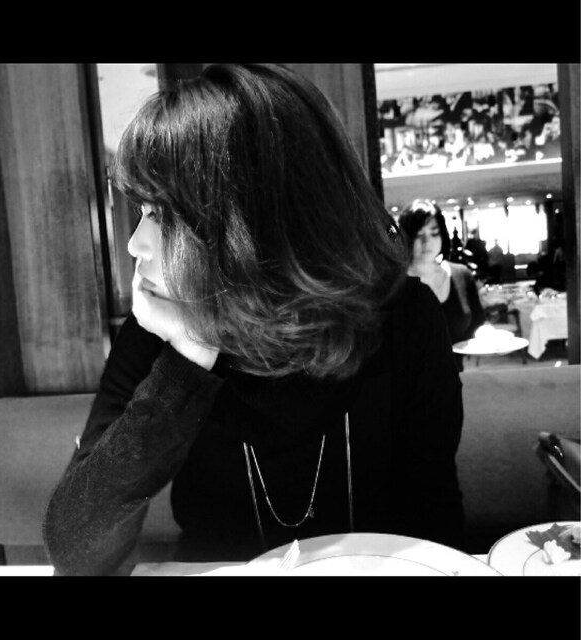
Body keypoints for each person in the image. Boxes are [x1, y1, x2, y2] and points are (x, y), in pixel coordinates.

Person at [43, 63, 465, 576]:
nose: (135, 244)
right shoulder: (161, 327)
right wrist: (188, 358)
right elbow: (76, 552)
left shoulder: (405, 320)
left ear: (258, 222)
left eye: (164, 215)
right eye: (143, 211)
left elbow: (436, 522)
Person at [397, 199, 485, 372]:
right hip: (406, 383)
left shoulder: (461, 275)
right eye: (418, 235)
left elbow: (477, 322)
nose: (427, 242)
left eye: (434, 233)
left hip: (456, 378)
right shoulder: (393, 283)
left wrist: (485, 336)